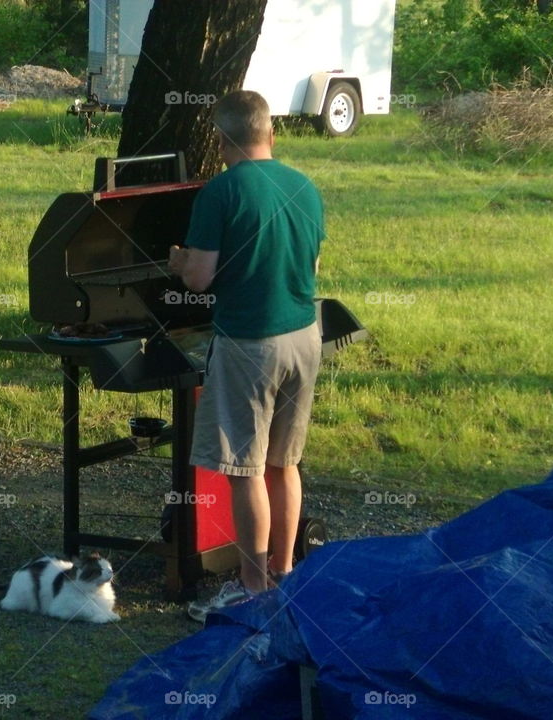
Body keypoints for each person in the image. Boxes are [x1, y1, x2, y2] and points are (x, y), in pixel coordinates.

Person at [168, 90, 323, 622]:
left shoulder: (220, 192)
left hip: (249, 343)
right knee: (286, 463)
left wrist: (178, 261)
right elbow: (312, 263)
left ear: (221, 140)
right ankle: (286, 575)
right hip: (305, 334)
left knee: (245, 468)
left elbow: (200, 278)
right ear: (270, 132)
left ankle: (251, 590)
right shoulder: (305, 186)